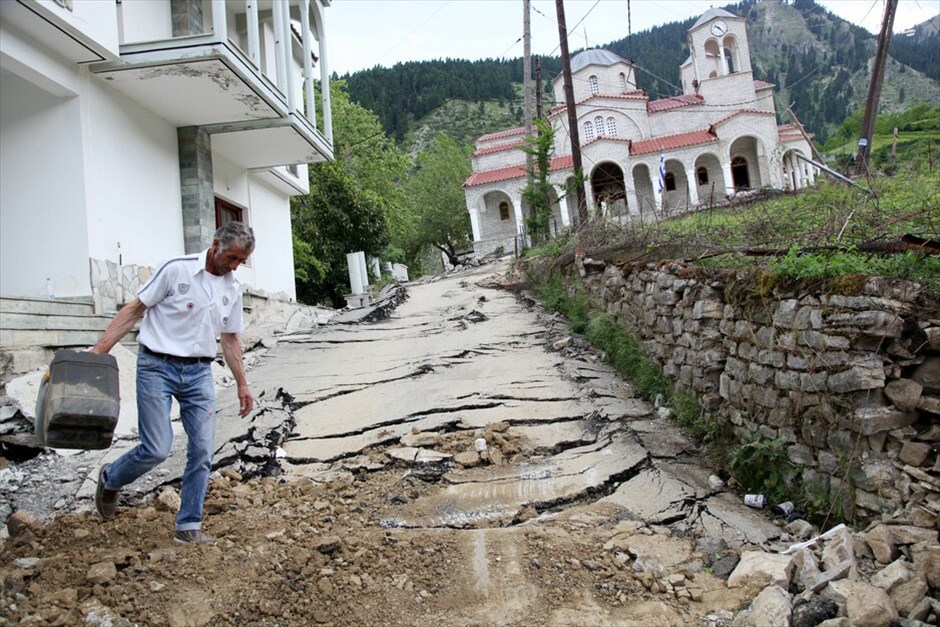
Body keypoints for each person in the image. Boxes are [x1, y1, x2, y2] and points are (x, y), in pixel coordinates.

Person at [91, 222, 256, 544]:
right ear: (215, 245)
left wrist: (242, 384)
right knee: (156, 448)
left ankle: (188, 525)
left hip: (198, 374)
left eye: (241, 261)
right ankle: (111, 478)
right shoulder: (175, 270)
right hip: (156, 366)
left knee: (203, 449)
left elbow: (231, 338)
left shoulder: (232, 288)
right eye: (232, 257)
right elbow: (134, 309)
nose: (234, 266)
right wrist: (99, 351)